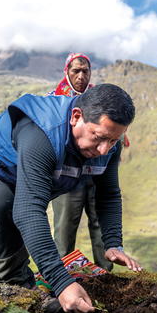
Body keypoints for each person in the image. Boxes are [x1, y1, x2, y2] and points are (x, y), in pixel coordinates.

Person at [0, 83, 142, 313]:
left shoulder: (107, 144)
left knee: (11, 203)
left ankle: (23, 286)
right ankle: (15, 288)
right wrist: (62, 283)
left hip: (19, 177)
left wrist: (112, 243)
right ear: (76, 117)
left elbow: (108, 194)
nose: (104, 150)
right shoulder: (43, 133)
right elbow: (28, 210)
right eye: (98, 137)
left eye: (113, 141)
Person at [49, 53, 113, 271]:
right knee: (65, 225)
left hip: (96, 172)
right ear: (66, 72)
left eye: (85, 71)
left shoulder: (101, 100)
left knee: (100, 222)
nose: (81, 75)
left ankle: (106, 274)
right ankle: (61, 277)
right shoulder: (54, 99)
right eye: (76, 71)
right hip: (67, 174)